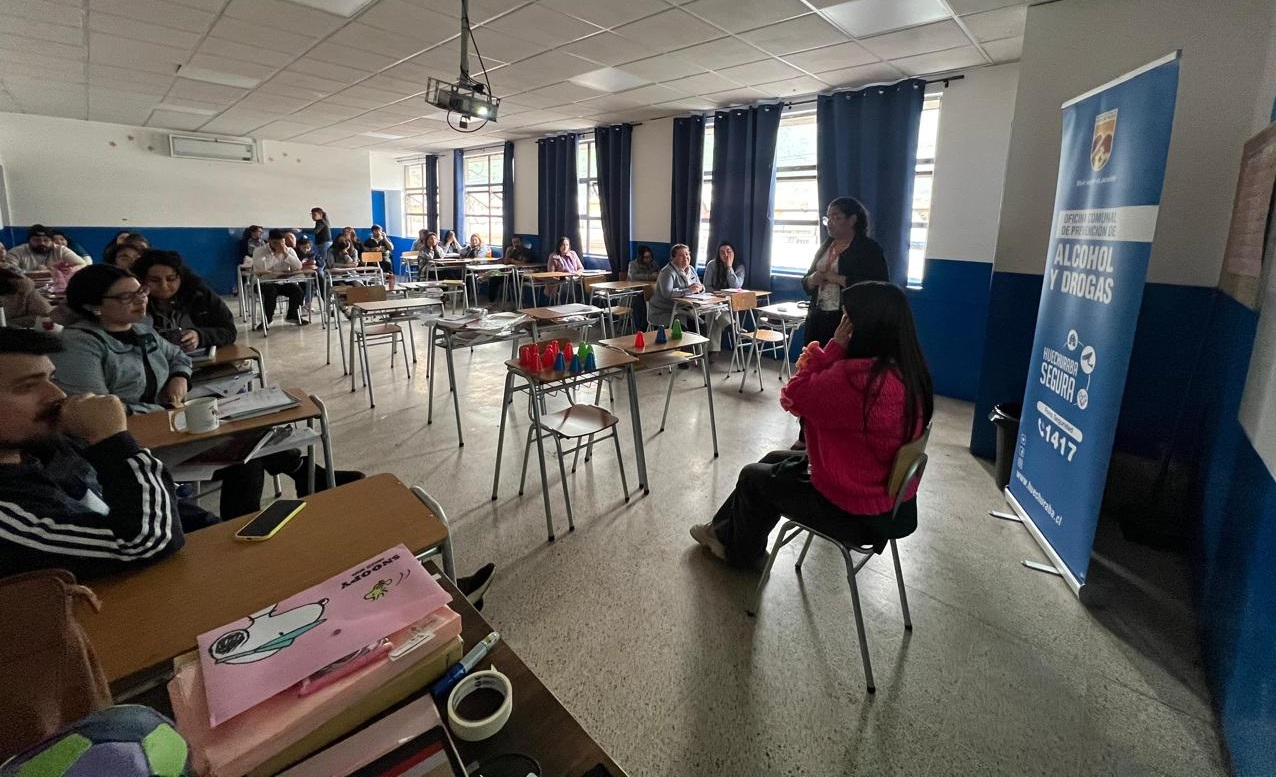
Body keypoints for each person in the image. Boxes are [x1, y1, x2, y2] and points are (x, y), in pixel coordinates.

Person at [52, 265, 360, 518]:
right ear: (94, 306)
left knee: (253, 430)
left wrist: (179, 378)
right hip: (130, 442)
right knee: (244, 456)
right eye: (127, 297)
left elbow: (177, 356)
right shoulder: (79, 345)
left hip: (169, 422)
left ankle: (304, 479)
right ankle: (284, 494)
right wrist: (164, 411)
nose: (141, 300)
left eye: (140, 292)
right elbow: (97, 413)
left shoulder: (140, 331)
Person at [691, 281, 933, 570]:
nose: (840, 325)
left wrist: (833, 349)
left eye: (846, 318)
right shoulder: (907, 370)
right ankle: (721, 533)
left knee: (753, 476)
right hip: (889, 499)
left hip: (853, 507)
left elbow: (792, 396)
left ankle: (742, 554)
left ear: (861, 327)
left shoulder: (856, 380)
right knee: (773, 460)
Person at [0, 327, 190, 579]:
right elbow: (140, 543)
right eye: (27, 387)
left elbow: (161, 511)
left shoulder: (44, 448)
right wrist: (112, 441)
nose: (58, 395)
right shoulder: (7, 513)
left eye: (51, 379)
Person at [801, 197, 889, 349]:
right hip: (818, 316)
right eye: (827, 218)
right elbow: (806, 281)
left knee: (840, 366)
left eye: (836, 217)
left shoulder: (868, 249)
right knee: (815, 364)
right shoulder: (826, 246)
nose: (829, 222)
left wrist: (836, 278)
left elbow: (877, 286)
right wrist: (812, 279)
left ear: (852, 220)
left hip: (848, 320)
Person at [133, 250, 237, 351]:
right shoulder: (133, 301)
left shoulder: (199, 294)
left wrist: (199, 336)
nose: (164, 286)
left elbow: (229, 331)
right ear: (142, 280)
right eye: (154, 280)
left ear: (181, 277)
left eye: (171, 279)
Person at [649, 244, 729, 357]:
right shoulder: (667, 272)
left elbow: (700, 287)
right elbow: (667, 293)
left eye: (687, 254)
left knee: (702, 325)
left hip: (685, 308)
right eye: (681, 255)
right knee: (682, 325)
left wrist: (701, 288)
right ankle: (682, 357)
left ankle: (701, 355)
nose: (685, 257)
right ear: (673, 258)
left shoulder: (691, 269)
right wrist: (688, 290)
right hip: (665, 310)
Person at [251, 229, 307, 327]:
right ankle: (267, 319)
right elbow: (261, 267)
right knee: (271, 291)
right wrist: (276, 255)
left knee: (297, 290)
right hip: (263, 282)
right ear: (269, 241)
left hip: (282, 282)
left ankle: (292, 315)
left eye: (282, 242)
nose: (279, 245)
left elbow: (299, 266)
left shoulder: (289, 250)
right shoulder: (259, 251)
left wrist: (286, 255)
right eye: (275, 243)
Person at [7, 225, 89, 273]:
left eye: (46, 240)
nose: (42, 243)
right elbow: (9, 272)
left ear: (52, 242)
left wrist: (70, 270)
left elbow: (82, 264)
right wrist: (36, 272)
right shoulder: (16, 252)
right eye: (36, 240)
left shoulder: (60, 250)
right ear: (29, 241)